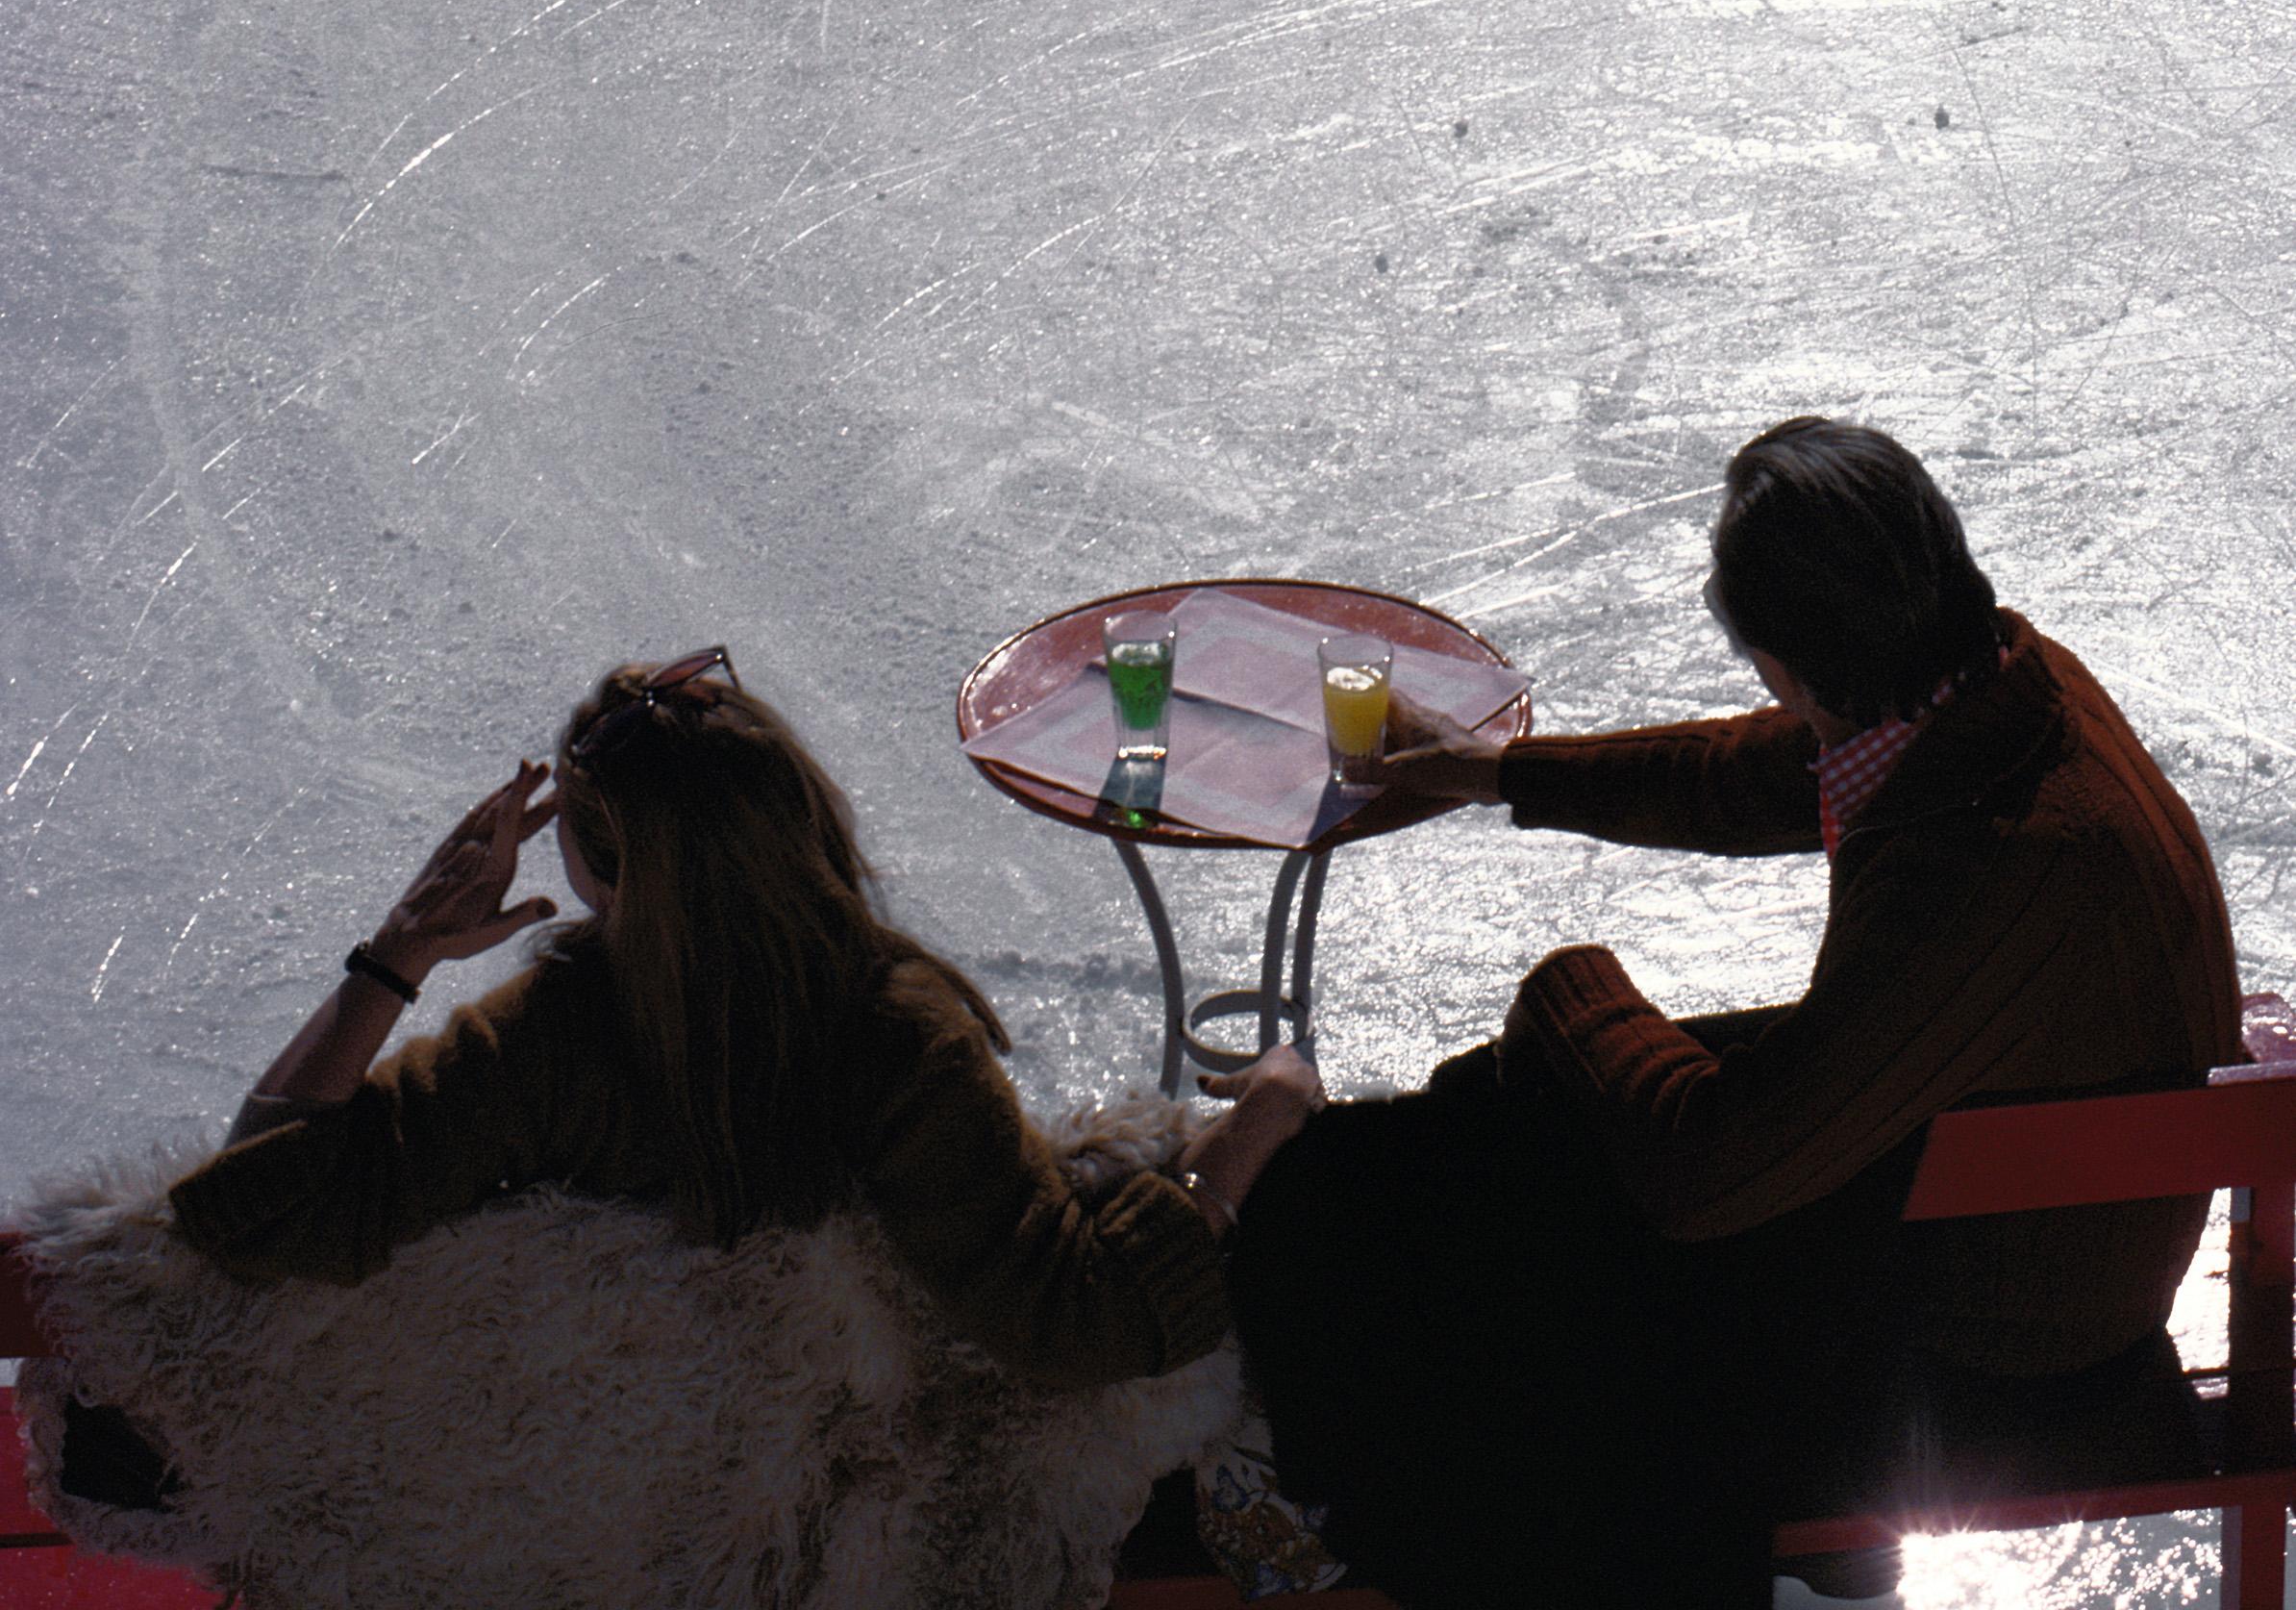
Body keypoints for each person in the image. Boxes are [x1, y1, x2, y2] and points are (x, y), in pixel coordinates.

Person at [1225, 421, 2242, 1610]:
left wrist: (1570, 988)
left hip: (2003, 1347)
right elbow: (1769, 774)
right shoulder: (1998, 691)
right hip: (2015, 1215)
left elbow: (1709, 1171)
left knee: (1549, 1212)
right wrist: (1497, 772)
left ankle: (1351, 1468)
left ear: (1786, 665)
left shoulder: (1986, 867)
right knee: (1524, 1118)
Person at [158, 648, 1321, 1391]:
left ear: (600, 876)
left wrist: (402, 950)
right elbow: (1080, 1326)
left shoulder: (557, 1042)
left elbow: (265, 1198)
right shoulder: (896, 1040)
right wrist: (1259, 1121)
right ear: (802, 815)